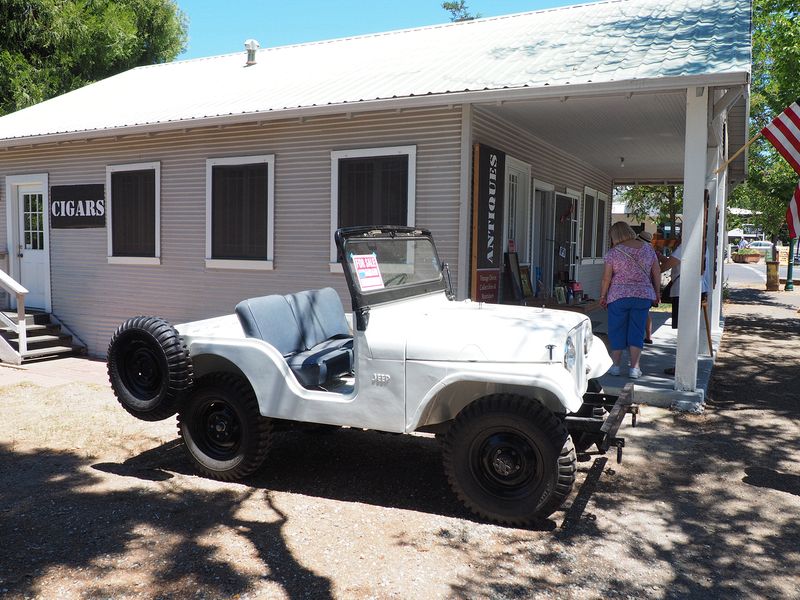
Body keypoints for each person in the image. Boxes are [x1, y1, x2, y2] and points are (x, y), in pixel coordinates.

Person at [600, 222, 661, 379]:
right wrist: (657, 292)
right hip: (642, 295)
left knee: (616, 330)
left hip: (618, 296)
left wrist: (603, 295)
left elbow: (607, 278)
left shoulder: (613, 253)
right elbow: (656, 271)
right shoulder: (648, 249)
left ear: (614, 235)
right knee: (637, 330)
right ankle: (634, 368)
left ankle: (615, 366)